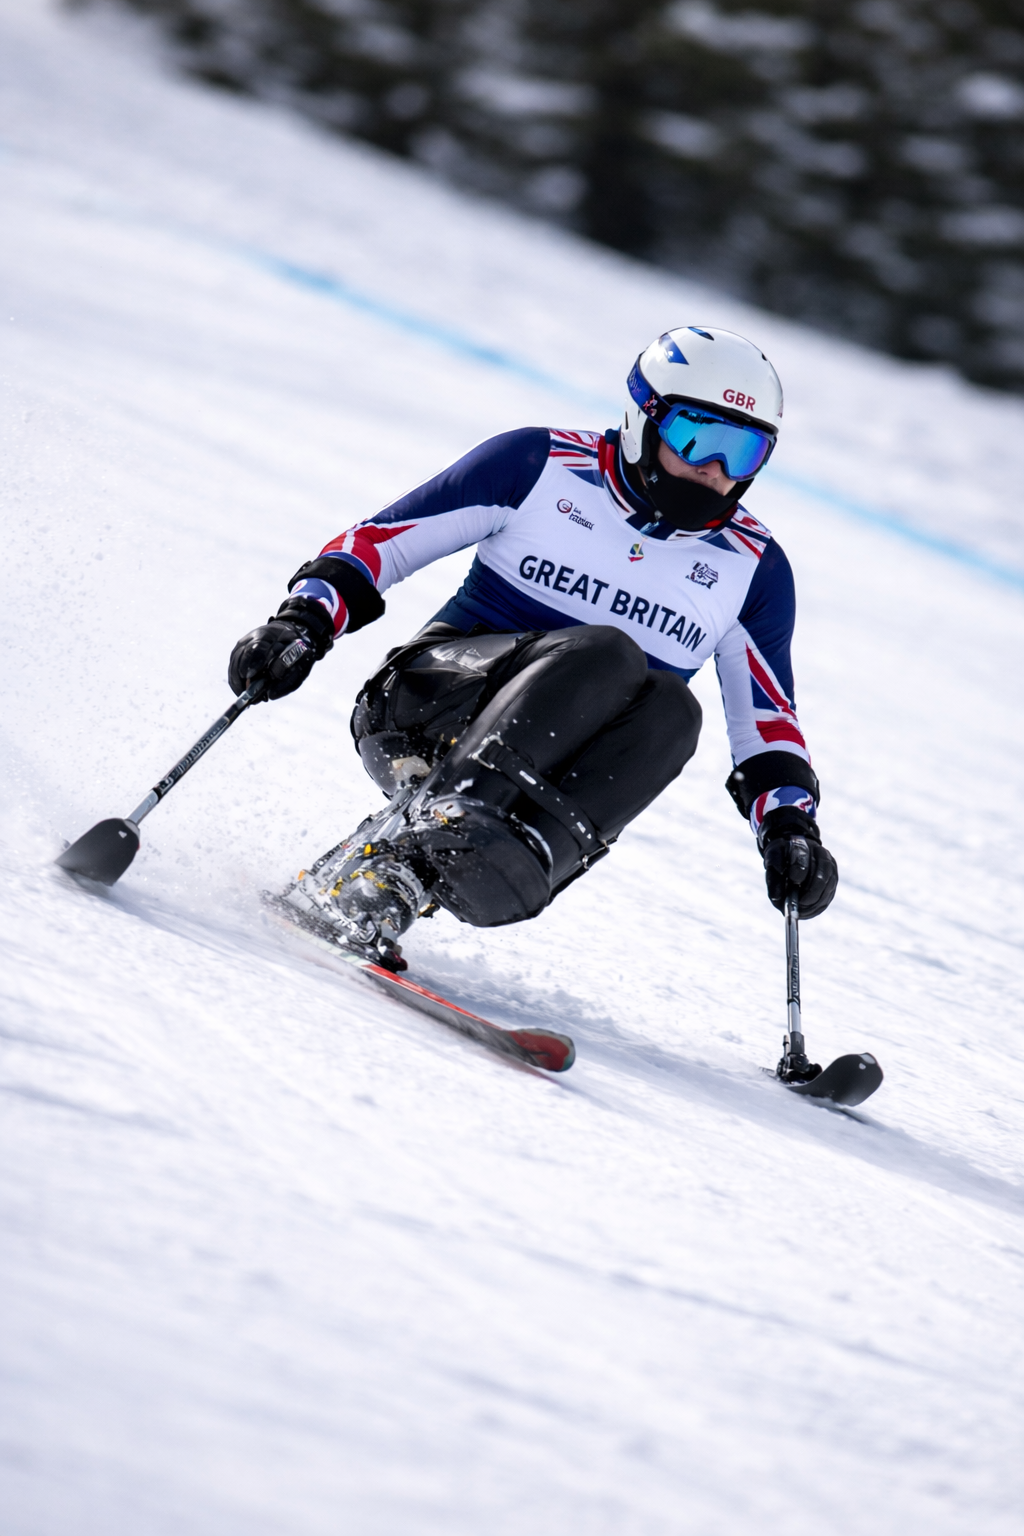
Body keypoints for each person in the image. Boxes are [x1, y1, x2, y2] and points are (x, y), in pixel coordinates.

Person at [230, 324, 838, 985]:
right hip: (423, 703)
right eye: (696, 437)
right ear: (644, 419)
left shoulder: (753, 568)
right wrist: (304, 621)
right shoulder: (539, 465)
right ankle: (411, 842)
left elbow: (768, 724)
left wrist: (789, 828)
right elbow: (380, 544)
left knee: (672, 711)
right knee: (606, 653)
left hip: (533, 775)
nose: (714, 468)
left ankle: (446, 872)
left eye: (742, 451)